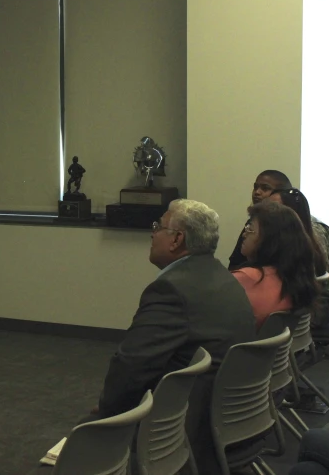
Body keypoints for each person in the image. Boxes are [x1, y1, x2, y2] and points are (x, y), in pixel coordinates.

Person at [82, 199, 256, 473]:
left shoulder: (171, 290)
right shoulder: (223, 277)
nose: (152, 233)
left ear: (177, 239)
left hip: (184, 428)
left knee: (85, 433)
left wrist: (108, 412)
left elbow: (131, 365)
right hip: (234, 418)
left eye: (158, 226)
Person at [231, 201, 319, 330]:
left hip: (235, 347)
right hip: (275, 349)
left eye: (250, 229)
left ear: (270, 240)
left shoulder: (245, 278)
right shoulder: (295, 277)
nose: (244, 234)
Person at [269, 188, 329, 328]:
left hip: (308, 317)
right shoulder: (309, 235)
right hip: (307, 314)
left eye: (273, 209)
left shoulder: (298, 246)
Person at [228, 170, 292, 270]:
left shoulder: (290, 227)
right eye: (255, 187)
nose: (257, 192)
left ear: (281, 194)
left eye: (265, 188)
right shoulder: (252, 223)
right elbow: (235, 263)